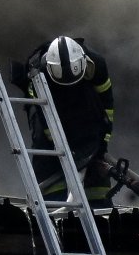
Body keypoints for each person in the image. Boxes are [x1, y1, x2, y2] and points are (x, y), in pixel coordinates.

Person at [10, 36, 116, 208]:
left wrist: (101, 143)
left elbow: (107, 104)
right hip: (51, 105)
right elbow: (46, 124)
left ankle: (99, 204)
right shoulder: (38, 75)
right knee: (46, 156)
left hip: (84, 106)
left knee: (95, 176)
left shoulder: (96, 65)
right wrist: (65, 152)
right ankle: (53, 206)